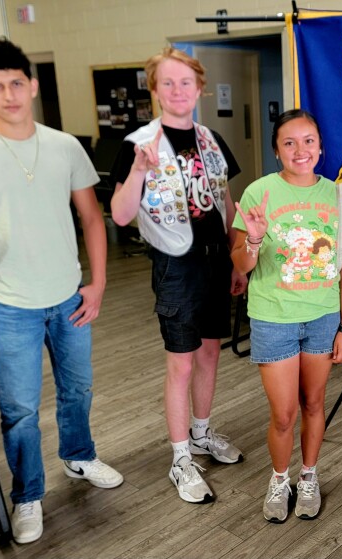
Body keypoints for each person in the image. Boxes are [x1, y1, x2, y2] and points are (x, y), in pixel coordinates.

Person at [0, 38, 123, 545]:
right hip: (10, 303)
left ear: (32, 85)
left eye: (16, 83)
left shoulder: (64, 145)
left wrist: (96, 284)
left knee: (77, 389)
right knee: (21, 409)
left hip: (69, 296)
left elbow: (92, 218)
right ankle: (27, 493)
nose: (9, 94)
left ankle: (78, 458)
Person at [109, 47, 246, 505]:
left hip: (215, 260)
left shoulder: (211, 140)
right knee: (181, 362)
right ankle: (180, 457)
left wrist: (237, 256)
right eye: (167, 83)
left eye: (186, 82)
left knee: (210, 353)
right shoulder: (139, 144)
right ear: (154, 90)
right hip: (176, 265)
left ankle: (203, 433)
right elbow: (121, 214)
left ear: (200, 88)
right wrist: (138, 171)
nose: (178, 91)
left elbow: (226, 203)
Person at [231, 109, 342, 523]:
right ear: (277, 150)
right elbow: (241, 266)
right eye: (289, 142)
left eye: (308, 141)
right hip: (274, 317)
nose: (300, 150)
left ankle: (308, 475)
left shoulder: (340, 196)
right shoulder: (257, 193)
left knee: (314, 403)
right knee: (284, 413)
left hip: (322, 318)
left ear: (320, 147)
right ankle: (279, 477)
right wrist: (252, 239)